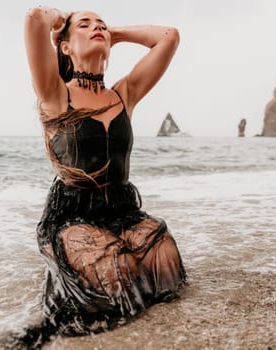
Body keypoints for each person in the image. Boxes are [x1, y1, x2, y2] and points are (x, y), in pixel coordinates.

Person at [13, 6, 186, 348]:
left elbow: (169, 37)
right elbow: (35, 18)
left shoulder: (124, 94)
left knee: (164, 261)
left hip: (122, 209)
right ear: (64, 46)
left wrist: (114, 34)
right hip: (74, 215)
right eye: (86, 25)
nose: (97, 29)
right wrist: (62, 23)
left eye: (101, 25)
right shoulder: (54, 93)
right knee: (117, 273)